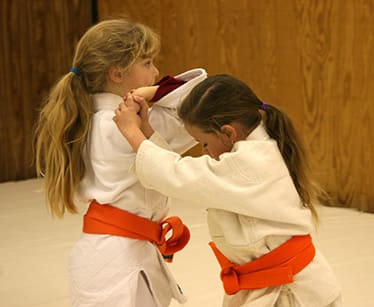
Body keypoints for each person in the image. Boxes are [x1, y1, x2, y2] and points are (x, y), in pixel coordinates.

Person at [113, 74, 342, 307]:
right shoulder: (256, 148)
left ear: (229, 133)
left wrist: (133, 133)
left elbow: (179, 175)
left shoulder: (250, 164)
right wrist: (147, 128)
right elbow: (185, 172)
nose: (205, 152)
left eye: (204, 143)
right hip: (272, 285)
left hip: (291, 293)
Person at [33, 18, 207, 307]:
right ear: (116, 73)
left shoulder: (91, 120)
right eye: (148, 63)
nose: (157, 72)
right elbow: (202, 97)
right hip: (118, 261)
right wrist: (151, 93)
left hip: (110, 253)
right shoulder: (122, 126)